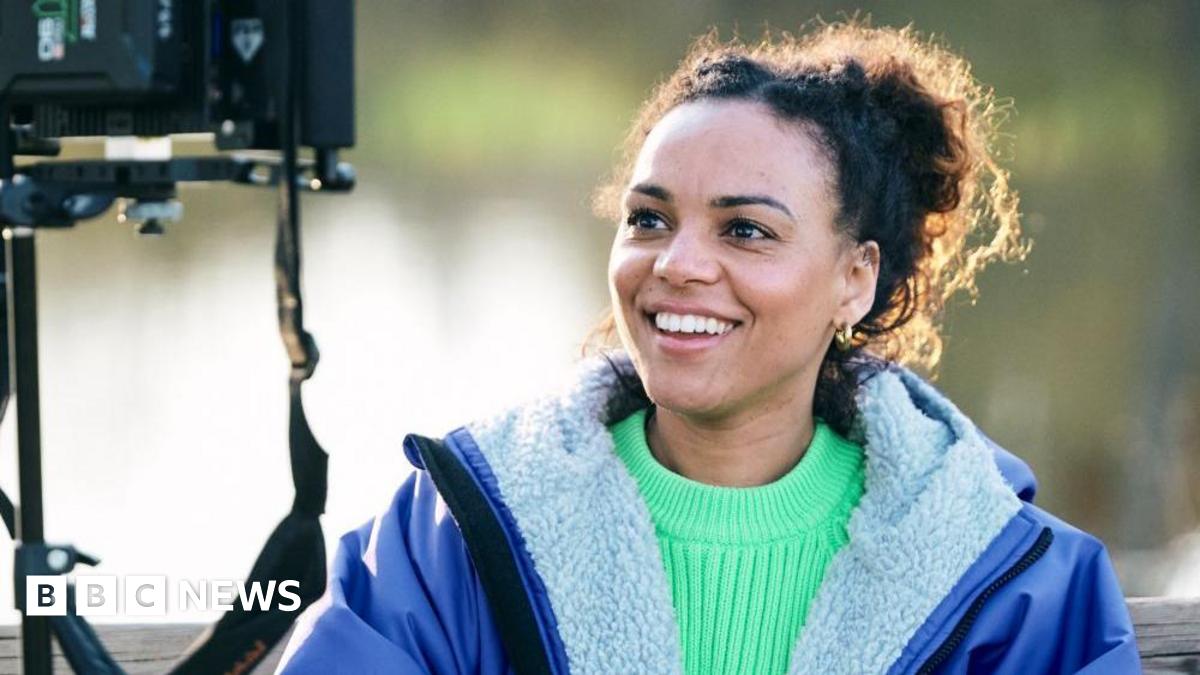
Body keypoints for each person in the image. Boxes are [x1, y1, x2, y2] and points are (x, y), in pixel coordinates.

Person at [276, 21, 1140, 675]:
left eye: (747, 230)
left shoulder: (1024, 590)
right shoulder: (447, 539)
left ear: (855, 276)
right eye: (649, 219)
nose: (679, 265)